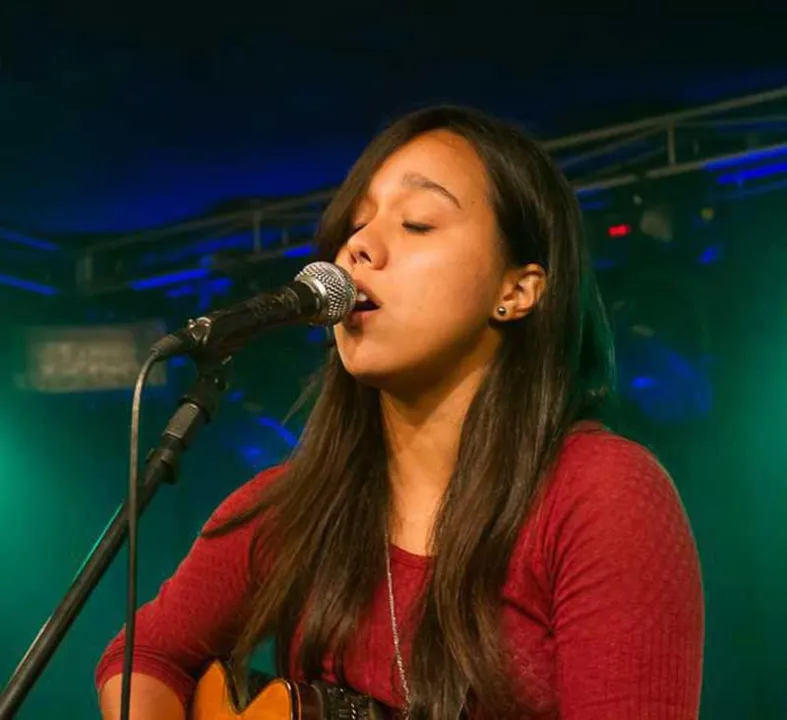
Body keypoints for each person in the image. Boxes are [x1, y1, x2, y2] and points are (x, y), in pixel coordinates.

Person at [96, 106, 704, 719]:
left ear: (516, 290)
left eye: (417, 223)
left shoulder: (601, 496)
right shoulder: (289, 511)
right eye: (355, 224)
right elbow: (144, 656)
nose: (358, 246)